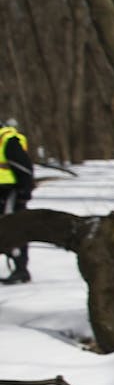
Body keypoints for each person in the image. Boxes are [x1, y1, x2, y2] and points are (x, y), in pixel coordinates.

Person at [0, 119, 34, 285]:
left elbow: (24, 167)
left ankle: (21, 269)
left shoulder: (7, 140)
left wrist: (24, 192)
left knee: (13, 229)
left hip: (10, 192)